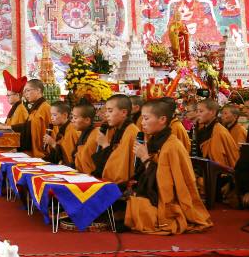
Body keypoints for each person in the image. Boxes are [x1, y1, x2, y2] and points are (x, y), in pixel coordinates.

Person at [125, 99, 213, 234]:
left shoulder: (171, 146)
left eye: (146, 118)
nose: (142, 123)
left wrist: (145, 158)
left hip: (167, 202)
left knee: (130, 211)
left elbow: (166, 185)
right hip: (153, 194)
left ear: (162, 119)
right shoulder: (156, 140)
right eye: (142, 119)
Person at [91, 94, 140, 186]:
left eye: (110, 111)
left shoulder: (131, 133)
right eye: (106, 111)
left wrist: (105, 145)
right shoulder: (117, 129)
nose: (106, 114)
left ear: (124, 112)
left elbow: (119, 166)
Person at [9, 79, 52, 158]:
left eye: (28, 90)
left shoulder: (45, 108)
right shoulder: (36, 109)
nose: (25, 94)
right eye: (24, 92)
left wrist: (9, 127)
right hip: (31, 150)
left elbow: (30, 127)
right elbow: (28, 127)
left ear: (38, 90)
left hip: (42, 153)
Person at [192, 99, 239, 168]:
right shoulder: (205, 129)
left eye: (201, 111)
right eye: (197, 111)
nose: (197, 114)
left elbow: (219, 162)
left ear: (213, 112)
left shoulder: (219, 132)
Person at [43, 102, 78, 166]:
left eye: (54, 115)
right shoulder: (61, 129)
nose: (51, 118)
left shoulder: (72, 131)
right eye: (51, 115)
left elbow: (69, 156)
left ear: (65, 115)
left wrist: (53, 143)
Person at [71, 103, 98, 174]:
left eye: (75, 118)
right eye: (72, 117)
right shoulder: (83, 133)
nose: (72, 121)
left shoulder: (95, 135)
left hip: (90, 175)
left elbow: (88, 160)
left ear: (87, 120)